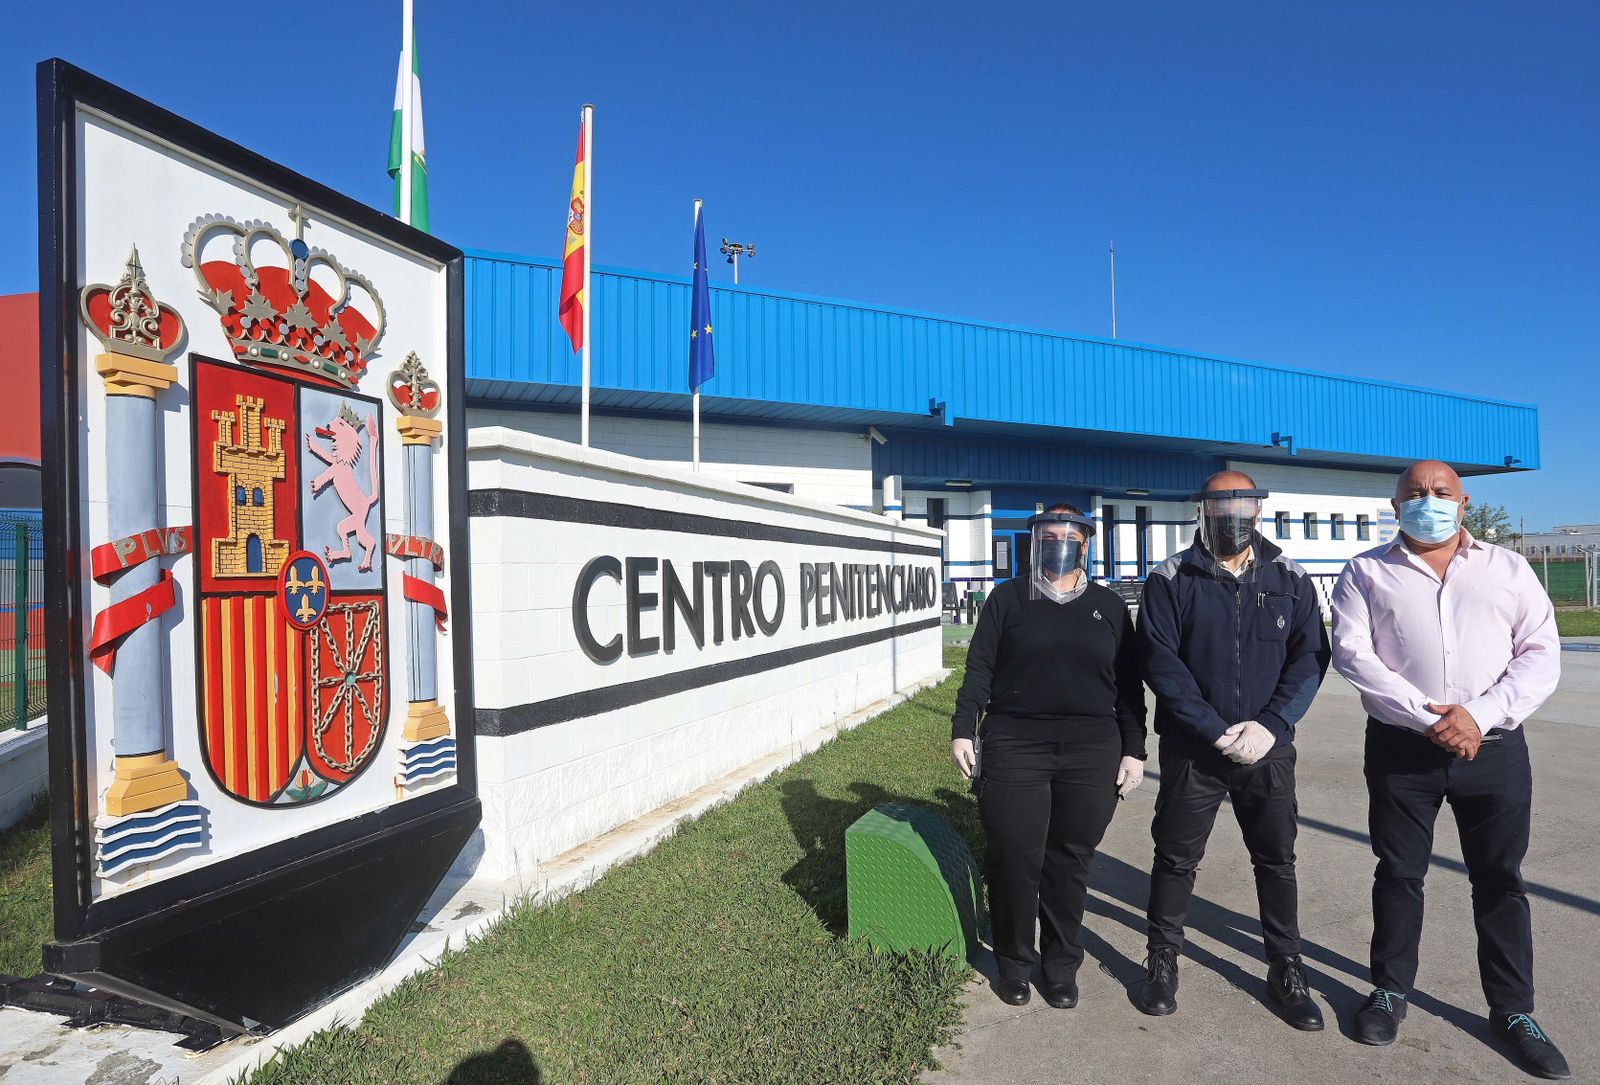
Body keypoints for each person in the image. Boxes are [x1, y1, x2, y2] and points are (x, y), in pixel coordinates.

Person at [1330, 460, 1567, 1079]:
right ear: (1395, 502)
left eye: (1441, 492)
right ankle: (1389, 991)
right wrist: (1429, 717)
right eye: (1415, 493)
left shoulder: (1508, 569)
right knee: (1400, 873)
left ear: (1463, 502)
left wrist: (1479, 716)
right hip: (1402, 750)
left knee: (1499, 880)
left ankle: (1513, 1011)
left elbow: (1540, 651)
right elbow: (1354, 654)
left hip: (1494, 753)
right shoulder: (1366, 572)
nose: (1427, 501)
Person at [1136, 471, 1329, 1030]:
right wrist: (1214, 730)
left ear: (1259, 511)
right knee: (1176, 857)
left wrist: (1271, 726)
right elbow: (1160, 661)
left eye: (1243, 505)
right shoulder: (1171, 578)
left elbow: (1310, 658)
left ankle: (1286, 965)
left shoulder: (1290, 577)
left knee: (1276, 859)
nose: (1232, 516)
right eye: (1221, 506)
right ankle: (1162, 959)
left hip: (1267, 751)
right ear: (1203, 511)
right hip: (1194, 749)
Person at [951, 503, 1147, 1008]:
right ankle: (1014, 962)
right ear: (1035, 540)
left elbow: (1128, 687)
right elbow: (978, 670)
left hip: (1092, 748)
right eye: (1050, 533)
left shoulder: (1108, 605)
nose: (1062, 541)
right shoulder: (1008, 599)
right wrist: (962, 730)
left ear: (1086, 543)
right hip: (1016, 742)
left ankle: (1061, 965)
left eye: (1071, 535)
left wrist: (1134, 750)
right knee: (1016, 855)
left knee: (1069, 861)